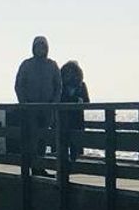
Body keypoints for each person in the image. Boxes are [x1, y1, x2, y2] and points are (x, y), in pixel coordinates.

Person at [14, 36, 61, 173]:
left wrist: (54, 103)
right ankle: (33, 166)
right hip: (30, 108)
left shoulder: (52, 65)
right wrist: (24, 103)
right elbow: (19, 85)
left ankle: (41, 165)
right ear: (33, 48)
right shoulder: (26, 64)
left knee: (43, 138)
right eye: (38, 47)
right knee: (32, 138)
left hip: (47, 108)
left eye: (43, 47)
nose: (40, 49)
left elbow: (58, 86)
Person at [60, 60, 90, 161]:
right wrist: (76, 100)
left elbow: (87, 102)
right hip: (64, 120)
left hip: (77, 120)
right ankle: (63, 167)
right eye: (68, 72)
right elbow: (60, 100)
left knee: (77, 145)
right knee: (62, 144)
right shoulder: (61, 86)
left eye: (73, 72)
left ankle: (77, 165)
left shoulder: (81, 85)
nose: (70, 74)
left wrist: (80, 100)